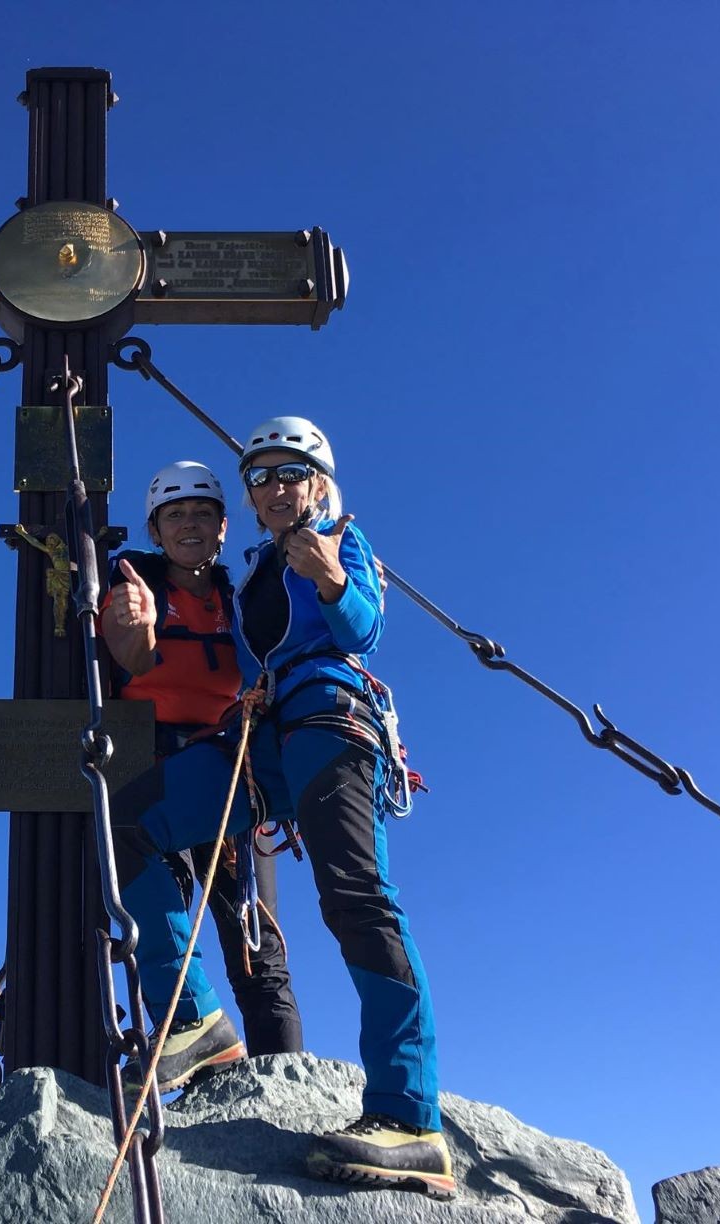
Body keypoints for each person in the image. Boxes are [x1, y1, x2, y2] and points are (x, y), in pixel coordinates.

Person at [110, 419, 452, 1200]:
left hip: (332, 720)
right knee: (132, 821)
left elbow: (363, 628)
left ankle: (409, 1116)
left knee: (358, 900)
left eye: (288, 472)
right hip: (265, 738)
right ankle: (194, 1019)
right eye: (258, 476)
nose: (271, 487)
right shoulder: (258, 566)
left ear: (320, 481)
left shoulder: (339, 538)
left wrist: (333, 576)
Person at [100, 461, 304, 1071]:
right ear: (155, 530)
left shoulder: (241, 597)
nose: (189, 523)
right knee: (159, 907)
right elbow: (132, 661)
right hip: (156, 765)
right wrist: (136, 630)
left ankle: (280, 1084)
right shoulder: (137, 586)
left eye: (202, 513)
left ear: (221, 528)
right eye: (174, 514)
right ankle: (196, 1028)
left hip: (230, 763)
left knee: (254, 941)